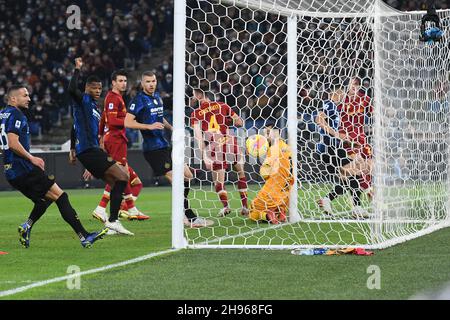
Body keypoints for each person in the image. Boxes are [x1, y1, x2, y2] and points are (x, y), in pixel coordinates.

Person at [0, 85, 108, 248]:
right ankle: (84, 236)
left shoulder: (2, 114)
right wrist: (32, 158)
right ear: (13, 98)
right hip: (23, 168)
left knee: (44, 201)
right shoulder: (17, 115)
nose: (29, 98)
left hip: (11, 172)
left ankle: (27, 226)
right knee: (61, 196)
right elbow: (13, 143)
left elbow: (5, 143)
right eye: (25, 95)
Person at [125, 72, 213, 228]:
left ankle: (183, 215)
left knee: (188, 176)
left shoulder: (157, 97)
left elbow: (159, 117)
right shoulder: (138, 100)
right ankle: (187, 217)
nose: (151, 84)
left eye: (153, 81)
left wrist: (171, 127)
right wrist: (148, 126)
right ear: (142, 83)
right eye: (148, 82)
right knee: (178, 181)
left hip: (164, 145)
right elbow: (128, 122)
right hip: (153, 150)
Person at [68, 57, 134, 235]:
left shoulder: (94, 107)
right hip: (88, 151)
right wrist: (77, 69)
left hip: (91, 150)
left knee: (116, 181)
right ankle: (113, 221)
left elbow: (75, 126)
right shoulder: (82, 100)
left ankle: (111, 223)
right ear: (86, 88)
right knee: (122, 177)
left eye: (99, 88)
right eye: (94, 88)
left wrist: (72, 148)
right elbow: (71, 89)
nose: (97, 91)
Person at [92, 69, 149, 223]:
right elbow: (111, 121)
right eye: (120, 81)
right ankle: (126, 209)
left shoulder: (115, 98)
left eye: (125, 81)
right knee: (119, 176)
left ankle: (125, 208)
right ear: (113, 83)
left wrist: (100, 136)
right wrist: (130, 121)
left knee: (123, 176)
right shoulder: (113, 98)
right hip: (116, 140)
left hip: (115, 139)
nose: (124, 83)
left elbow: (104, 118)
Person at [316, 79, 373, 218]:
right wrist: (337, 135)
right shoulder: (329, 104)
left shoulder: (337, 107)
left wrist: (347, 139)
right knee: (354, 173)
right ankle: (352, 205)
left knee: (353, 175)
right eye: (342, 93)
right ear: (336, 92)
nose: (344, 96)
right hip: (329, 148)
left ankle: (350, 206)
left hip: (337, 147)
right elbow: (319, 119)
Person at [190, 88, 248, 217]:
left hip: (214, 147)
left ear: (200, 95)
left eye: (193, 95)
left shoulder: (196, 113)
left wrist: (204, 155)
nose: (192, 98)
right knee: (241, 173)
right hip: (230, 141)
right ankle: (245, 207)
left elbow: (198, 137)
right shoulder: (223, 105)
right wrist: (228, 121)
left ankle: (226, 207)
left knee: (218, 182)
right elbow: (239, 122)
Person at [248, 123, 293, 224]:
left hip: (273, 188)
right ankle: (281, 212)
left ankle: (268, 215)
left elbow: (264, 173)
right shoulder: (287, 147)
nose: (265, 136)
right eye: (264, 134)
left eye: (268, 133)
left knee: (252, 210)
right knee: (278, 203)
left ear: (277, 133)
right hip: (287, 192)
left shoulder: (273, 149)